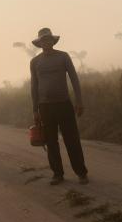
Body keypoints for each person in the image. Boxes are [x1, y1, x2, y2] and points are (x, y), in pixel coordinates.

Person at [30, 28, 89, 185]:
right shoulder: (35, 62)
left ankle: (81, 173)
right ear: (40, 43)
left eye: (48, 39)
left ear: (53, 41)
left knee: (72, 140)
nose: (46, 42)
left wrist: (79, 101)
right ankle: (57, 174)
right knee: (51, 142)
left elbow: (74, 79)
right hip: (45, 107)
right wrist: (35, 110)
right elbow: (34, 86)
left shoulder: (63, 57)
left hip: (64, 104)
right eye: (43, 40)